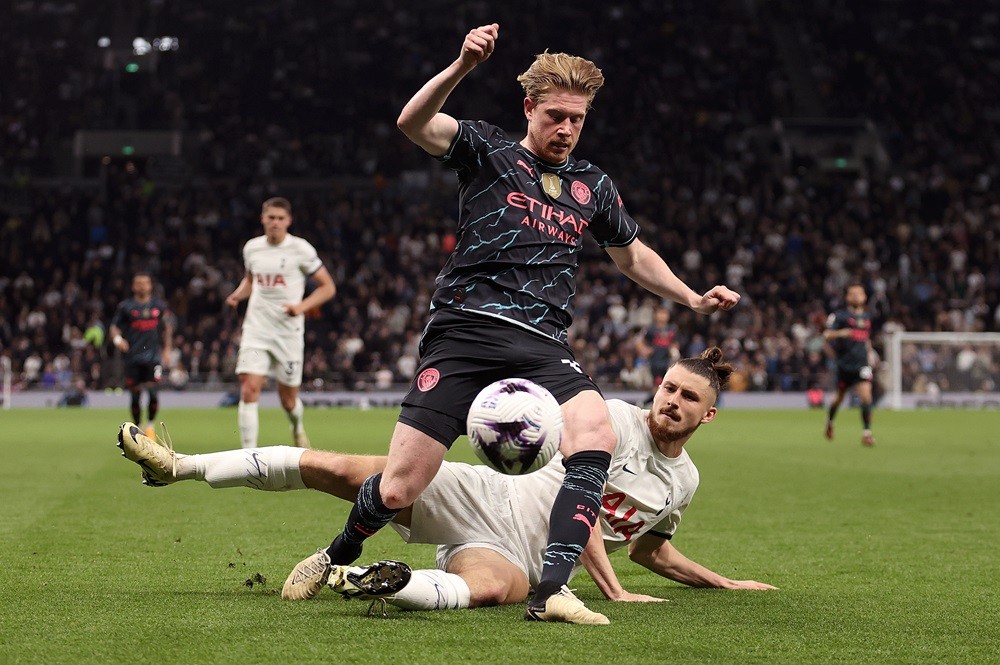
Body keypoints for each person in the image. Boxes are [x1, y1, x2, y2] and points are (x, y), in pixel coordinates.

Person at [277, 23, 742, 624]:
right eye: (555, 115)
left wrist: (692, 299)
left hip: (542, 346)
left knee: (595, 433)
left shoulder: (592, 185)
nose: (567, 128)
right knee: (397, 490)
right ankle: (338, 553)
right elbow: (413, 124)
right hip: (466, 332)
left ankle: (550, 593)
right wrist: (462, 66)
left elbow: (631, 255)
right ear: (530, 108)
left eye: (577, 118)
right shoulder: (488, 150)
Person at [116, 348, 776, 624]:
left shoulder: (683, 479)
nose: (672, 401)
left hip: (518, 556)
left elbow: (650, 548)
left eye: (688, 397)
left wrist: (724, 581)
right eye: (668, 387)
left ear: (707, 414)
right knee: (347, 472)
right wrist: (611, 588)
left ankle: (375, 578)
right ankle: (181, 465)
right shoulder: (611, 420)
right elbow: (586, 512)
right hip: (495, 496)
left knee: (488, 589)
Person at [224, 197, 336, 449]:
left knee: (288, 401)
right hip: (257, 327)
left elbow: (328, 287)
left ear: (288, 221)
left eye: (280, 218)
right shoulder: (252, 248)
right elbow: (251, 281)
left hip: (287, 332)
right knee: (249, 388)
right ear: (262, 218)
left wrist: (302, 307)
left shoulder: (301, 249)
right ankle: (248, 456)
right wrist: (236, 295)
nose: (275, 222)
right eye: (271, 217)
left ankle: (297, 428)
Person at [109, 272, 174, 437]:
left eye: (145, 283)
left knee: (153, 393)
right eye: (138, 283)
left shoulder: (158, 306)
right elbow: (114, 327)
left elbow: (167, 328)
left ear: (150, 286)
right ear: (133, 286)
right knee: (135, 395)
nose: (142, 286)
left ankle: (150, 425)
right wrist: (118, 340)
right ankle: (138, 428)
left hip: (153, 358)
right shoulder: (126, 307)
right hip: (133, 357)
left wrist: (167, 349)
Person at [823, 283, 878, 447]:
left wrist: (870, 353)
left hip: (862, 364)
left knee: (866, 396)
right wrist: (842, 333)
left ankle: (867, 433)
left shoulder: (868, 317)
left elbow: (865, 339)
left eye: (859, 293)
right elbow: (826, 335)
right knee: (838, 399)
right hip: (844, 365)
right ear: (847, 298)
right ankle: (830, 421)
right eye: (853, 294)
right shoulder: (839, 316)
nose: (856, 296)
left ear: (864, 297)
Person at [635, 306, 680, 404]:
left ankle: (652, 402)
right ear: (656, 315)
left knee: (667, 382)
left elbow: (676, 343)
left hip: (667, 360)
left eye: (665, 313)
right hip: (654, 360)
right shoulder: (651, 329)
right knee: (657, 384)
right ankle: (654, 402)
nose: (662, 316)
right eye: (660, 313)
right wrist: (644, 350)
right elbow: (639, 341)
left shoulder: (672, 328)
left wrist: (674, 351)